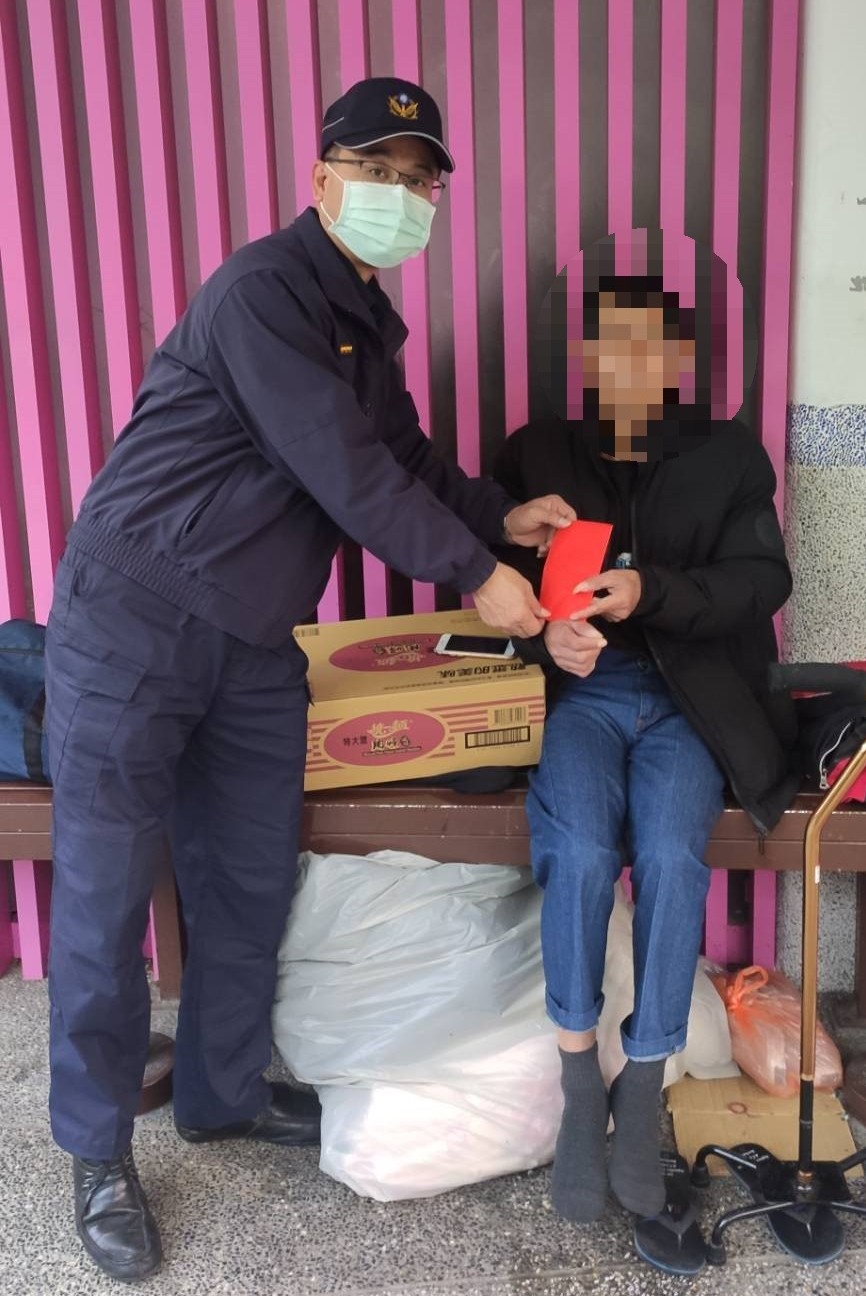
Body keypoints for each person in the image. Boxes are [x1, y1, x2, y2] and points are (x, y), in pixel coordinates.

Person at [44, 76, 574, 1283]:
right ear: (323, 178)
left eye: (417, 178)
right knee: (106, 900)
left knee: (245, 886)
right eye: (375, 171)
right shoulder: (261, 294)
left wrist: (503, 518)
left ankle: (220, 1098)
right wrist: (476, 575)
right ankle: (94, 1150)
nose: (399, 194)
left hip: (250, 641)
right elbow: (345, 471)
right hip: (133, 624)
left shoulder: (361, 322)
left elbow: (403, 460)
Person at [493, 268, 799, 1273]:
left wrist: (650, 591)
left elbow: (761, 579)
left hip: (687, 700)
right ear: (584, 358)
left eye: (646, 344)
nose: (625, 362)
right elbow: (494, 577)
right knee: (580, 852)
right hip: (582, 698)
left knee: (670, 855)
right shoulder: (539, 453)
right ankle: (582, 1080)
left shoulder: (726, 454)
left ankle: (645, 1077)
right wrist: (548, 639)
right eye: (607, 344)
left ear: (678, 359)